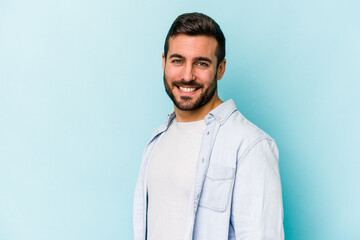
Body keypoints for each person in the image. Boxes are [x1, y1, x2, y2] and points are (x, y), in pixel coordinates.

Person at [133, 12, 284, 240]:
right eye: (178, 60)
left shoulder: (250, 145)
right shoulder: (158, 139)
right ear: (164, 62)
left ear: (220, 69)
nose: (187, 75)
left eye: (201, 63)